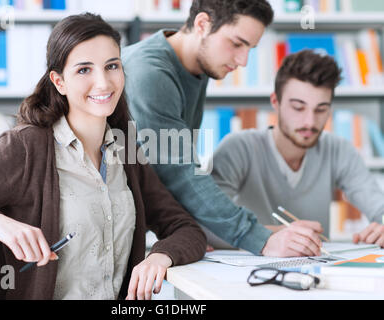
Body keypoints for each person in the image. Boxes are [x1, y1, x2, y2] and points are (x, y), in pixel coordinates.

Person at [0, 13, 206, 300]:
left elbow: (186, 228)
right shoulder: (26, 147)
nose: (103, 83)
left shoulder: (125, 150)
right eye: (84, 70)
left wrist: (159, 257)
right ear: (59, 81)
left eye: (111, 66)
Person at [122, 0, 323, 257]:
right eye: (237, 43)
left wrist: (269, 232)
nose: (243, 61)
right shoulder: (150, 73)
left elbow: (170, 171)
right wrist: (261, 239)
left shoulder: (197, 66)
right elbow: (179, 174)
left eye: (250, 48)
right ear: (202, 24)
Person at [211, 49, 384, 251]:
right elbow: (208, 225)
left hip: (316, 274)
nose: (309, 122)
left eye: (321, 109)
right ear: (275, 102)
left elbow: (377, 205)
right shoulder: (238, 149)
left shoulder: (338, 150)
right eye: (298, 107)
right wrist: (273, 236)